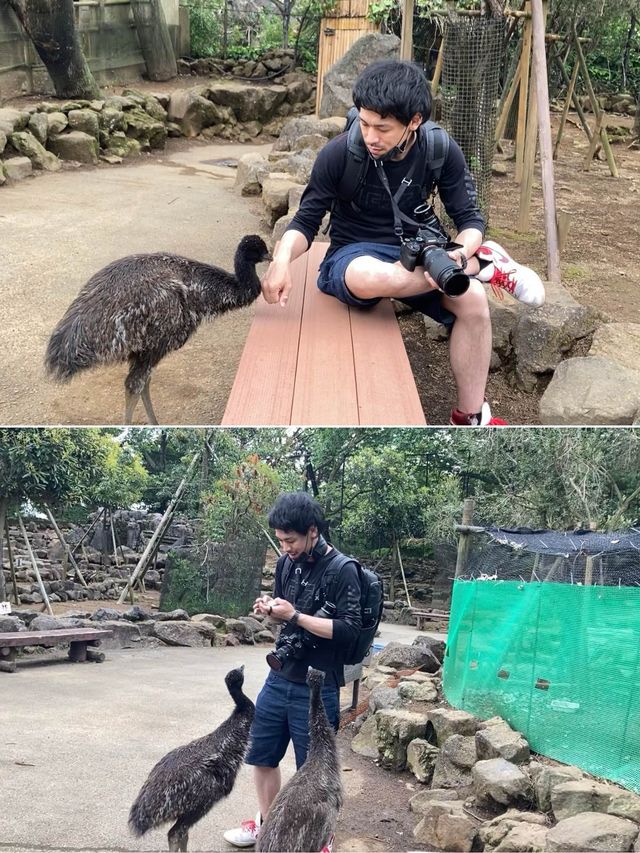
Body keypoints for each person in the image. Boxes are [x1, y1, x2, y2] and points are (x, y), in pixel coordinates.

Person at [261, 60, 546, 426]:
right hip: (354, 253)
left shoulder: (439, 150)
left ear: (414, 121)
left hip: (420, 251)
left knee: (473, 300)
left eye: (383, 128)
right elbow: (306, 219)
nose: (371, 136)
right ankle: (484, 266)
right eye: (365, 123)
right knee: (373, 277)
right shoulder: (340, 154)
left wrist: (459, 251)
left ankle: (471, 416)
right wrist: (282, 259)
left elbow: (471, 221)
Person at [223, 491, 361, 849]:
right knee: (263, 756)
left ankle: (318, 840)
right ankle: (270, 829)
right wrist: (271, 610)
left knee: (313, 772)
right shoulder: (287, 564)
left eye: (291, 540)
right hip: (279, 677)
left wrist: (295, 616)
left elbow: (348, 630)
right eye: (281, 540)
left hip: (319, 686)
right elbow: (284, 622)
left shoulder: (343, 570)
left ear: (312, 531)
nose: (285, 547)